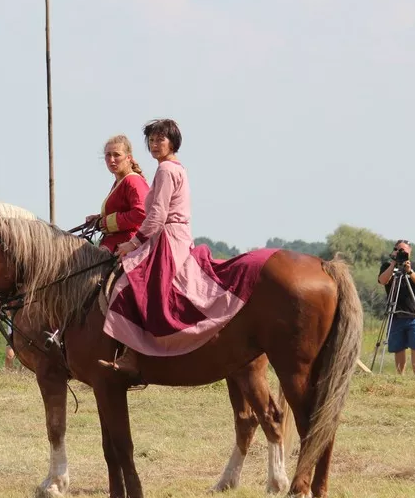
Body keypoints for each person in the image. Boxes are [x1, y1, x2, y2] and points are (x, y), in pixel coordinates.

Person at [99, 119, 278, 380]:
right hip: (174, 236)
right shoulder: (173, 168)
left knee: (129, 285)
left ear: (172, 142)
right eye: (151, 140)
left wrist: (133, 243)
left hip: (167, 238)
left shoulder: (165, 171)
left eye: (160, 139)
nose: (154, 144)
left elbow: (157, 214)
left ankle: (134, 355)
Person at [85, 135, 150, 253]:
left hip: (128, 245)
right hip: (115, 243)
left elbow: (141, 213)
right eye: (108, 155)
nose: (111, 159)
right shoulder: (119, 181)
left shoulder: (133, 180)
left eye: (116, 155)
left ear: (128, 158)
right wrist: (99, 218)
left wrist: (105, 222)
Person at [377, 240, 415, 374]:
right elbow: (382, 281)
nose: (402, 253)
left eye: (404, 251)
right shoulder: (387, 266)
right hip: (395, 314)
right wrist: (393, 264)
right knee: (398, 347)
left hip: (414, 314)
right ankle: (401, 376)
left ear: (410, 251)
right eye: (399, 250)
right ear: (394, 251)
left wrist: (409, 272)